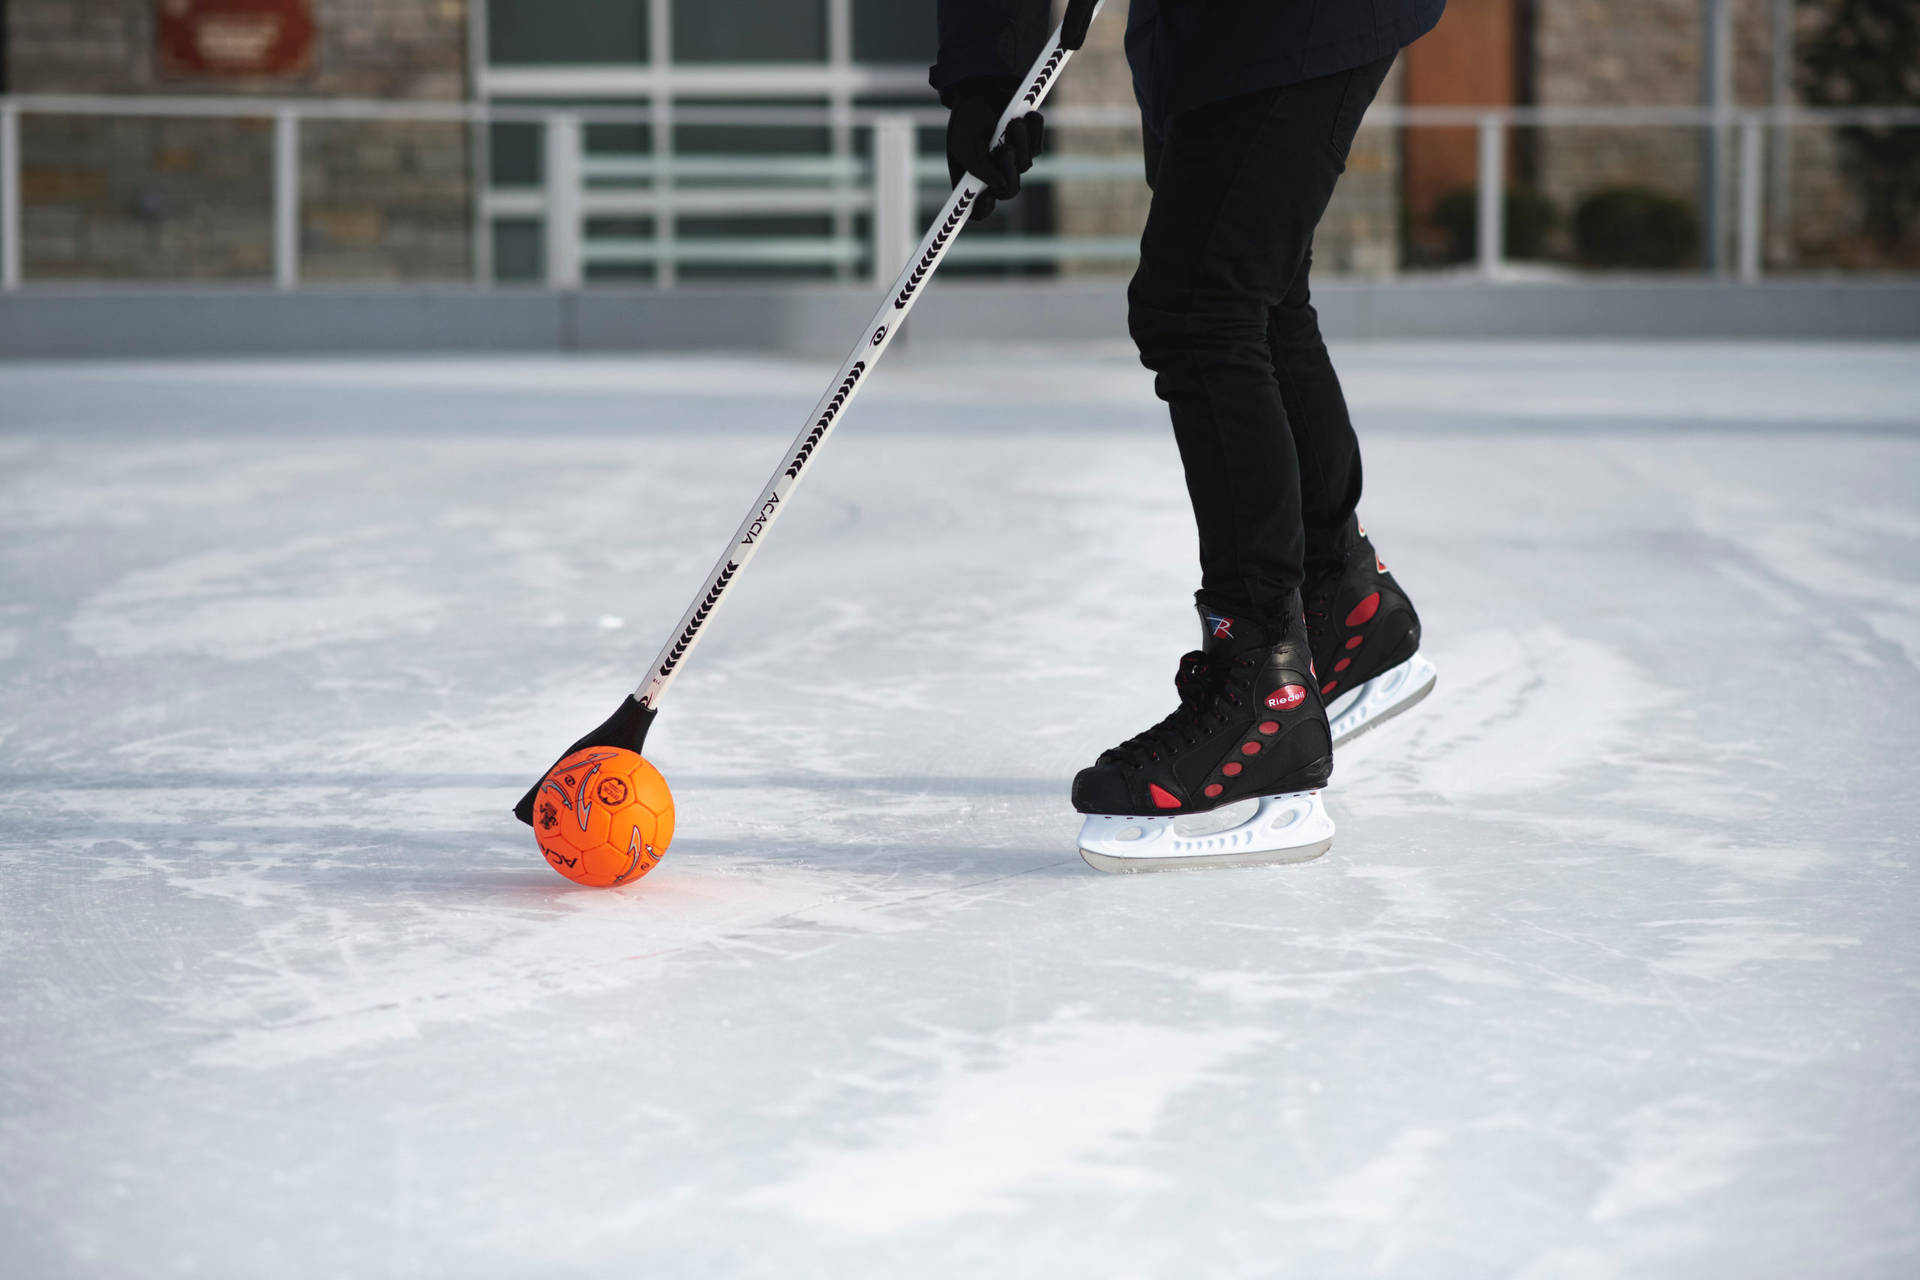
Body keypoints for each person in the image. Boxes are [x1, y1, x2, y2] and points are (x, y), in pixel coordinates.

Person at [932, 0, 1443, 869]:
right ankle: (1341, 604)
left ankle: (1261, 692)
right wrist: (990, 77)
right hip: (1205, 28)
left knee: (1202, 306)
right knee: (1252, 289)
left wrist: (990, 72)